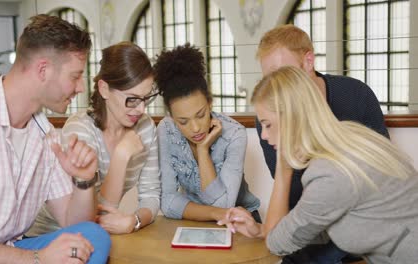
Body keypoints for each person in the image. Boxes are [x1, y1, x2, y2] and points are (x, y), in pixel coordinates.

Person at [0, 15, 110, 263]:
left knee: (92, 236)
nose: (80, 87)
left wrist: (84, 180)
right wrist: (37, 258)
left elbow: (74, 223)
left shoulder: (46, 134)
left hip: (12, 249)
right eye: (75, 76)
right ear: (43, 70)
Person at [220, 66, 418, 264]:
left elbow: (278, 245)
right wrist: (261, 230)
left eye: (267, 124)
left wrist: (283, 168)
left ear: (292, 119)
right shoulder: (352, 136)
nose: (263, 135)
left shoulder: (329, 173)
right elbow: (320, 223)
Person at [255, 25, 389, 263]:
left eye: (283, 74)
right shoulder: (270, 120)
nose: (275, 88)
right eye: (269, 79)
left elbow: (381, 176)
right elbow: (294, 194)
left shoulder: (356, 95)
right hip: (309, 230)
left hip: (361, 227)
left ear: (308, 61)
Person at [27, 41, 161, 236]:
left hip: (96, 236)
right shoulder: (80, 130)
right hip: (51, 234)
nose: (141, 109)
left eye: (146, 98)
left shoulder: (145, 127)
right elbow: (91, 216)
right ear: (104, 89)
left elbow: (151, 194)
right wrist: (121, 157)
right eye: (132, 99)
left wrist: (135, 220)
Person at [155, 43, 261, 223]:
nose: (195, 128)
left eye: (200, 115)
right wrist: (213, 213)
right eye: (183, 121)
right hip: (193, 218)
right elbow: (168, 202)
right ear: (171, 116)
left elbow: (224, 205)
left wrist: (203, 150)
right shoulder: (166, 130)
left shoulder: (234, 134)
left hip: (239, 220)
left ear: (210, 102)